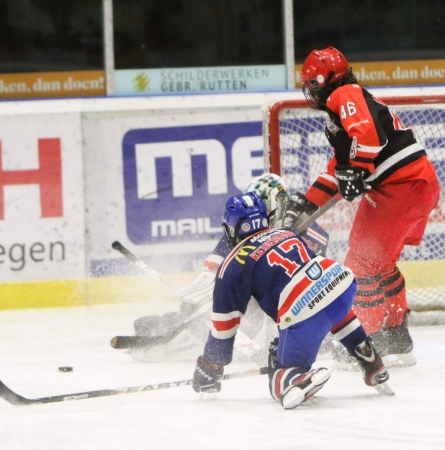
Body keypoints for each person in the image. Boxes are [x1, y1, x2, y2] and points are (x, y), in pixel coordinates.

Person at [283, 46, 440, 368]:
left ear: (326, 79)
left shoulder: (346, 93)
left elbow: (368, 139)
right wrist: (307, 202)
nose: (310, 90)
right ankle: (396, 335)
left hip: (402, 188)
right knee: (378, 263)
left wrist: (357, 168)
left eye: (312, 83)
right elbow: (339, 167)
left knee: (362, 263)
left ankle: (362, 341)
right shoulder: (339, 114)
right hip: (408, 187)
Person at [191, 192, 392, 409]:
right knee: (331, 304)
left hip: (303, 310)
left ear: (232, 228)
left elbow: (224, 326)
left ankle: (295, 378)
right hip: (340, 282)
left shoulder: (232, 265)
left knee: (278, 382)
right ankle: (369, 358)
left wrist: (210, 366)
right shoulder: (285, 233)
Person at [129, 173, 329, 364]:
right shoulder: (250, 223)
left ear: (277, 205)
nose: (256, 215)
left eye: (263, 208)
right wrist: (208, 284)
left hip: (288, 300)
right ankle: (178, 327)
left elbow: (311, 280)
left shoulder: (312, 233)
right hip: (257, 296)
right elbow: (221, 257)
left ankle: (186, 339)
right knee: (197, 307)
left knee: (244, 321)